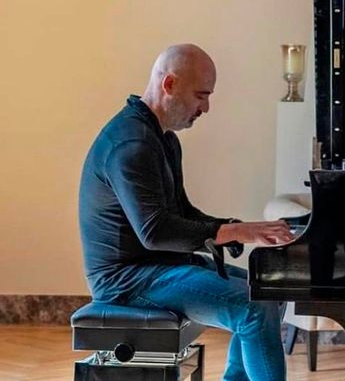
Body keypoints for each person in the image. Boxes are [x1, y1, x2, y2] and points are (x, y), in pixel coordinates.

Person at [78, 44, 292, 381]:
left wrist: (232, 227)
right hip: (127, 281)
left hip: (157, 267)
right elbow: (155, 232)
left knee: (268, 292)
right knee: (253, 308)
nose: (206, 107)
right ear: (169, 85)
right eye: (201, 95)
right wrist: (234, 232)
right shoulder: (131, 145)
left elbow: (182, 212)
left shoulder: (162, 139)